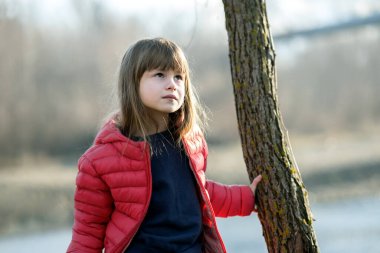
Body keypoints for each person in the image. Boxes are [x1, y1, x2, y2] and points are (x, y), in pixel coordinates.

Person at [66, 37, 262, 253]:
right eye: (160, 75)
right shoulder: (99, 161)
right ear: (133, 82)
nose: (172, 84)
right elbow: (88, 233)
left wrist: (247, 198)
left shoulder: (189, 140)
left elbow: (199, 192)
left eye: (179, 77)